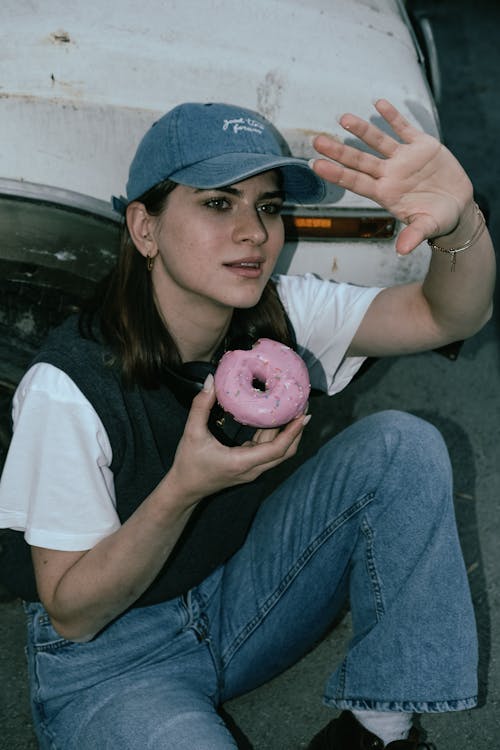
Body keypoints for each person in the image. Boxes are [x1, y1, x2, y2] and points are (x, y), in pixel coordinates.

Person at [0, 99, 495, 750]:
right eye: (217, 204)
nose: (255, 233)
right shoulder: (67, 390)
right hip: (110, 661)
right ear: (144, 228)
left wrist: (460, 228)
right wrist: (183, 489)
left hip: (238, 596)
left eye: (266, 206)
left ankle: (378, 730)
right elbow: (72, 615)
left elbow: (447, 318)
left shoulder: (279, 313)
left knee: (402, 445)